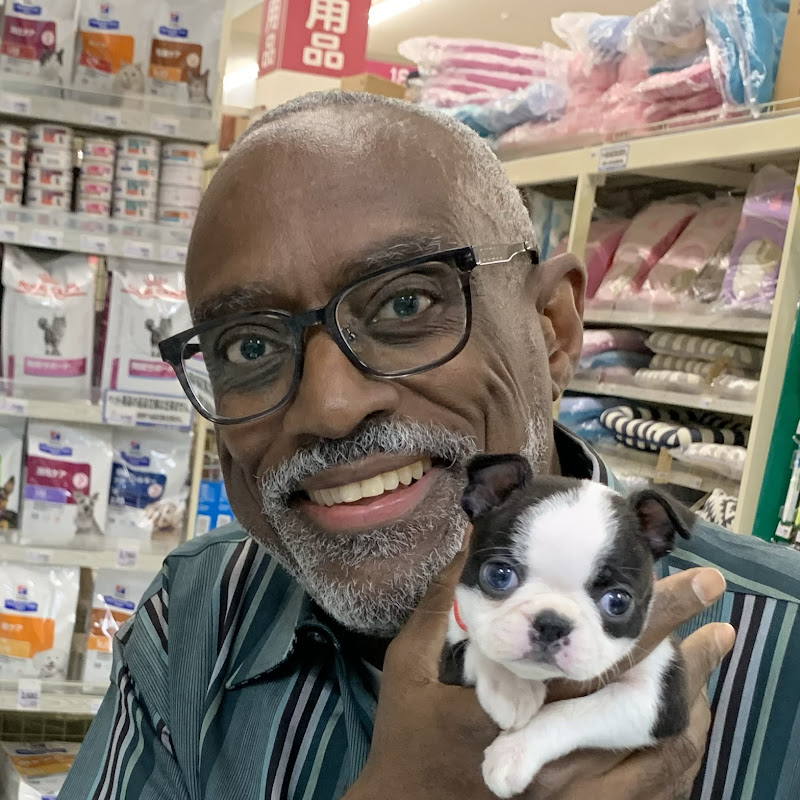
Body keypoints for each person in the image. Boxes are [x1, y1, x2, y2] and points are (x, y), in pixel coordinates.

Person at [60, 92, 800, 800]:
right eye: (249, 345)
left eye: (407, 303)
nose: (332, 405)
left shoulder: (783, 651)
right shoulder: (197, 617)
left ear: (552, 328)